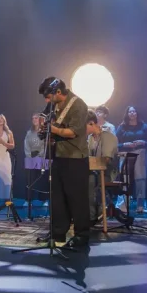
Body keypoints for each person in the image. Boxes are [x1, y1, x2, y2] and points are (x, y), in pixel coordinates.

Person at [38, 77, 90, 248]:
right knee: (57, 198)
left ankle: (81, 236)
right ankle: (57, 233)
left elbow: (73, 132)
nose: (47, 101)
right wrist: (44, 128)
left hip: (75, 157)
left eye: (48, 97)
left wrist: (53, 129)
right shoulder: (53, 105)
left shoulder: (78, 105)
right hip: (58, 155)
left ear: (58, 92)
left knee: (77, 199)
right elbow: (46, 122)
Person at [115, 106, 147, 214]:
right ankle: (123, 205)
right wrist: (125, 144)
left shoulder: (144, 126)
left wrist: (142, 142)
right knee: (125, 179)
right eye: (130, 111)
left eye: (134, 111)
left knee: (140, 179)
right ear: (127, 114)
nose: (132, 113)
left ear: (137, 113)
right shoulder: (122, 127)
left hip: (140, 153)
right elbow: (116, 144)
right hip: (125, 154)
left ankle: (141, 205)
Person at [86, 110, 118, 224]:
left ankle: (92, 216)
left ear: (91, 123)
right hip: (94, 171)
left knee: (89, 180)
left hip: (107, 173)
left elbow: (106, 160)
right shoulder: (90, 138)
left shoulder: (108, 137)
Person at [23, 113, 48, 208]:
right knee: (30, 180)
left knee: (43, 179)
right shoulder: (29, 132)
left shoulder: (45, 132)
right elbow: (26, 145)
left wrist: (40, 155)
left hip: (42, 157)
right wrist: (29, 156)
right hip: (30, 157)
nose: (34, 120)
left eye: (36, 118)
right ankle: (28, 200)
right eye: (33, 118)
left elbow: (45, 144)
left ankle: (44, 200)